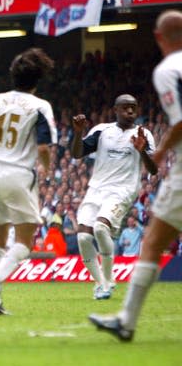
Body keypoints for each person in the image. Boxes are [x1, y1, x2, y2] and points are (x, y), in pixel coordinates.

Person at [89, 10, 182, 342]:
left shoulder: (169, 70)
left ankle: (126, 322)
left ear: (159, 37)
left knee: (154, 242)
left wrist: (158, 152)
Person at [0, 47, 57, 316]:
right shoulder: (40, 106)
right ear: (38, 79)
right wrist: (46, 169)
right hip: (18, 173)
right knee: (25, 241)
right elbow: (43, 148)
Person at [71, 94, 157, 300]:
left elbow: (153, 170)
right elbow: (77, 153)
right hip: (96, 189)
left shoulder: (143, 134)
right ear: (115, 110)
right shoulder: (102, 131)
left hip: (123, 190)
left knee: (100, 227)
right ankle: (100, 283)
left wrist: (142, 151)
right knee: (83, 237)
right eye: (125, 108)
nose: (130, 112)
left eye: (133, 108)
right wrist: (78, 133)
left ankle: (108, 281)